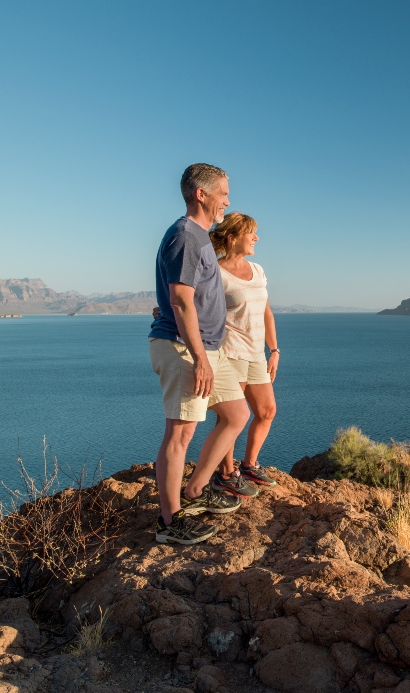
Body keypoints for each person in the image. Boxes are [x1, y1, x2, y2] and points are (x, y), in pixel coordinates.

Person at [148, 163, 251, 545]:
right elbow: (181, 300)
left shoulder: (201, 237)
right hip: (185, 348)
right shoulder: (186, 235)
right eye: (223, 192)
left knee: (237, 414)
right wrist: (200, 358)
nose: (228, 199)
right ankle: (171, 522)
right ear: (201, 194)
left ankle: (195, 490)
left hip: (207, 347)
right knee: (181, 433)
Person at [207, 213, 280, 494]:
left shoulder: (258, 270)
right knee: (231, 418)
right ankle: (226, 473)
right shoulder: (215, 272)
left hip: (256, 354)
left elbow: (266, 312)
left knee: (266, 411)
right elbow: (193, 302)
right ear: (232, 237)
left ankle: (249, 465)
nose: (257, 238)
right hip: (229, 355)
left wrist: (274, 350)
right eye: (252, 233)